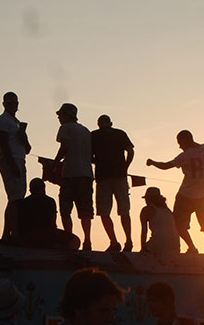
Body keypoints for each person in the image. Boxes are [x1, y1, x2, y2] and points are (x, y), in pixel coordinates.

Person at [146, 130, 204, 254]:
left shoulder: (185, 156)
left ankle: (192, 247)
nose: (180, 147)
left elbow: (165, 166)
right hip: (203, 193)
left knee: (177, 223)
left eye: (180, 143)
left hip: (186, 195)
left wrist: (152, 162)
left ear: (186, 140)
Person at [53, 103, 94, 251]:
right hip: (86, 174)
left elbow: (64, 146)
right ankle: (87, 240)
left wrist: (55, 163)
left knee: (65, 209)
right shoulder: (86, 131)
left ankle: (69, 239)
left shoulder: (65, 128)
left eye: (60, 115)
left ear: (67, 115)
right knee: (85, 211)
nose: (58, 117)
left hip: (70, 174)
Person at [91, 115, 134, 252]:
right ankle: (128, 241)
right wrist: (125, 166)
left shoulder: (94, 135)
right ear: (111, 123)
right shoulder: (119, 133)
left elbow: (88, 154)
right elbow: (131, 151)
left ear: (98, 124)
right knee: (124, 211)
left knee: (104, 212)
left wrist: (97, 161)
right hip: (120, 176)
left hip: (103, 177)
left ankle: (114, 242)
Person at [0, 92, 32, 243]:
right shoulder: (2, 121)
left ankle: (10, 233)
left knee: (17, 199)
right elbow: (3, 146)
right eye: (9, 103)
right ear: (4, 104)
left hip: (20, 160)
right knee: (15, 198)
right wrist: (12, 165)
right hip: (10, 161)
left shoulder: (16, 123)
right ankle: (9, 234)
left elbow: (28, 149)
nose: (12, 105)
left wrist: (23, 138)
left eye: (14, 103)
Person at [16, 177, 80, 249]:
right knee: (75, 241)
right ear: (43, 188)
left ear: (30, 190)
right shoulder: (50, 201)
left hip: (29, 236)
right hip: (46, 234)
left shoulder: (23, 202)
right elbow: (53, 222)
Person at [140, 187, 180, 255]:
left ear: (148, 199)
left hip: (158, 245)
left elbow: (144, 231)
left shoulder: (146, 210)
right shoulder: (167, 210)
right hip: (175, 246)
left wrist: (143, 248)